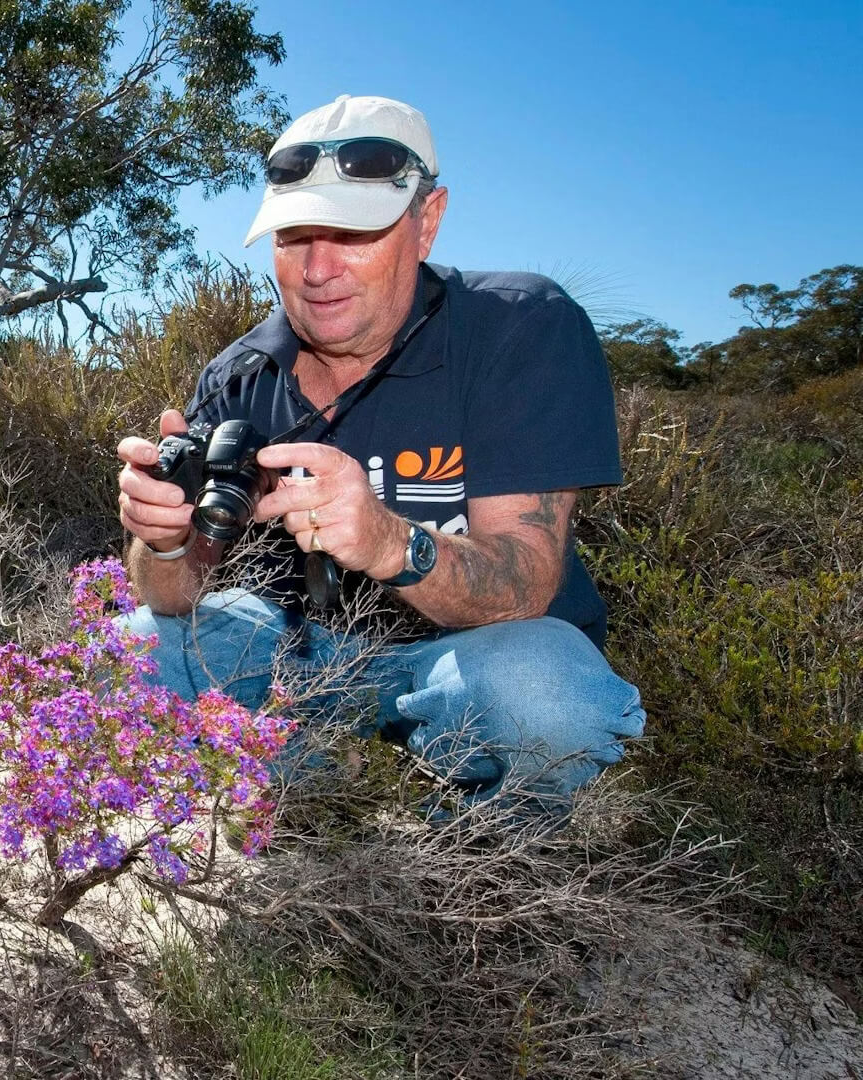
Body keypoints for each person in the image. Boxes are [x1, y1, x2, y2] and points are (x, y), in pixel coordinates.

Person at [115, 95, 644, 811]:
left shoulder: (521, 331)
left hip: (466, 659)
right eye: (295, 237)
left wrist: (388, 540)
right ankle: (315, 800)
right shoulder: (239, 376)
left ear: (427, 222)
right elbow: (170, 597)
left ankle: (471, 852)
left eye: (355, 234)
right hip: (296, 651)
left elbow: (525, 585)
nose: (318, 268)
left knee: (548, 702)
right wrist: (167, 540)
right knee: (129, 650)